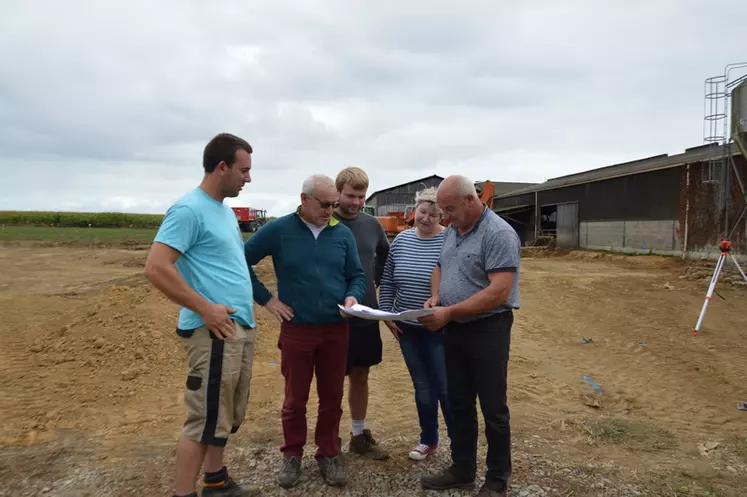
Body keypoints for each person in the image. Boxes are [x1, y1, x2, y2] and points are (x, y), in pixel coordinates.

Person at [144, 133, 261, 497]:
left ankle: (215, 480)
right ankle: (184, 492)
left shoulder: (223, 212)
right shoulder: (189, 209)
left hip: (234, 329)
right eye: (243, 170)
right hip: (213, 332)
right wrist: (205, 308)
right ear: (222, 166)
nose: (248, 178)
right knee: (203, 420)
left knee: (223, 415)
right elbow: (157, 268)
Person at [243, 174, 367, 489]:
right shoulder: (278, 230)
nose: (330, 210)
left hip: (336, 330)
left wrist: (353, 296)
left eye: (334, 205)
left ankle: (328, 453)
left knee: (332, 397)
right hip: (297, 330)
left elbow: (357, 275)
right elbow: (240, 262)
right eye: (324, 204)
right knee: (294, 399)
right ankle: (292, 454)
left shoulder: (342, 235)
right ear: (304, 199)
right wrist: (267, 300)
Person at [418, 175, 521, 497]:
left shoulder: (499, 233)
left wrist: (448, 312)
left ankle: (497, 480)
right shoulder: (453, 230)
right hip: (456, 329)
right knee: (459, 402)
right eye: (442, 211)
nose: (445, 218)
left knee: (493, 407)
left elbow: (499, 292)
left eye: (450, 209)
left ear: (470, 200)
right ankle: (462, 469)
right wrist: (436, 297)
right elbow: (439, 266)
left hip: (487, 329)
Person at [378, 187, 453, 461]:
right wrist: (387, 315)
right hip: (406, 328)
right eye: (422, 212)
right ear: (414, 211)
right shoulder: (401, 240)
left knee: (445, 387)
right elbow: (387, 281)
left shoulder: (450, 240)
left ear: (442, 216)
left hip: (440, 329)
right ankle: (428, 440)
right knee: (422, 386)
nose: (426, 218)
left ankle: (459, 443)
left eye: (433, 215)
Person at [331, 166, 391, 460]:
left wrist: (376, 279)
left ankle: (358, 435)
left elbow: (384, 254)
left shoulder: (372, 224)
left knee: (361, 374)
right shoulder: (324, 221)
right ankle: (328, 443)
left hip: (366, 313)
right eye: (350, 195)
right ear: (338, 191)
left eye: (361, 196)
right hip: (331, 316)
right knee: (330, 379)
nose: (355, 202)